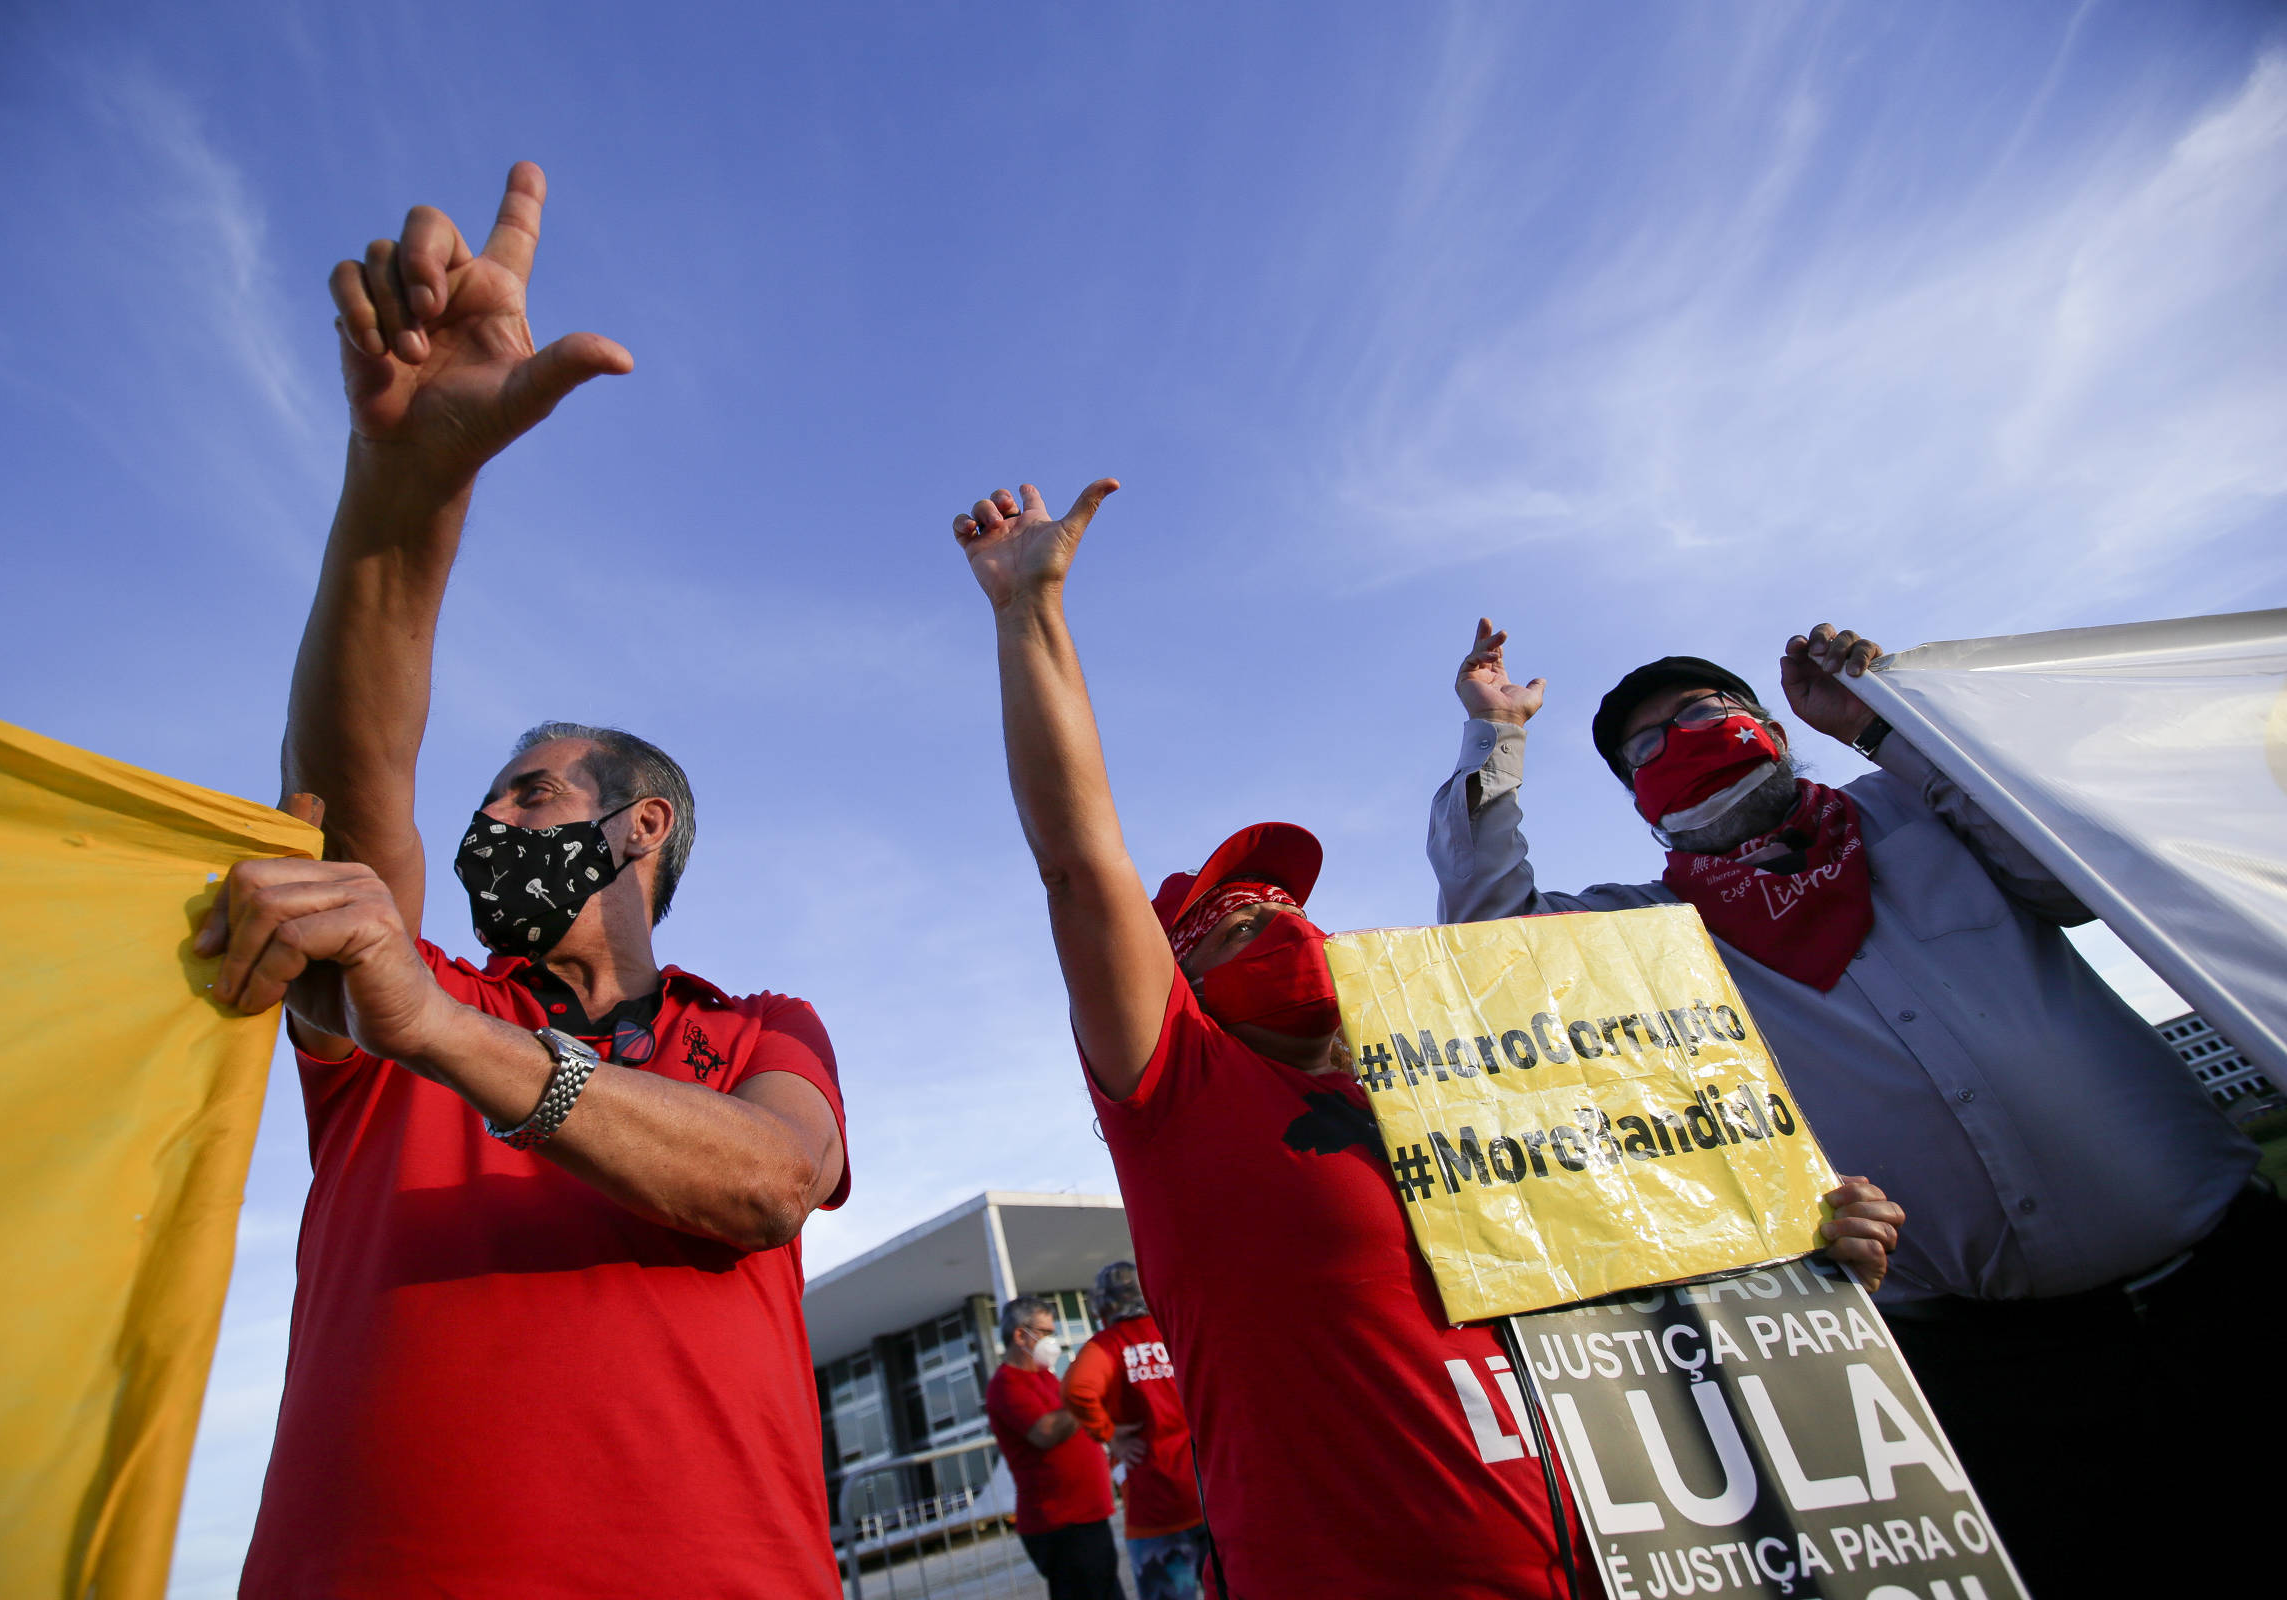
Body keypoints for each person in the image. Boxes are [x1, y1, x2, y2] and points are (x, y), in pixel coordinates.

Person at [950, 480, 1901, 1598]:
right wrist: (1031, 612)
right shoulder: (1180, 1098)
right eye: (1243, 923)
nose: (1289, 930)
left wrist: (1803, 1256)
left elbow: (1654, 1271)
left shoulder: (1476, 1103)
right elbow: (1078, 858)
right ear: (1179, 984)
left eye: (1298, 912)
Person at [196, 164, 851, 1598]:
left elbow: (768, 1182)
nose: (489, 820)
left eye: (534, 793)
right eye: (484, 797)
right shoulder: (396, 1003)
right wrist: (404, 491)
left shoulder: (758, 1030)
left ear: (643, 830)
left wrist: (456, 1043)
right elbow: (357, 787)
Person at [1427, 616, 2284, 1594]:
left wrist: (1882, 725)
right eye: (1650, 745)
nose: (1687, 738)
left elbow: (2070, 879)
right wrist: (1495, 735)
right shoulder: (1651, 934)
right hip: (1997, 1369)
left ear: (1773, 729)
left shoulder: (1918, 811)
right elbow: (1486, 951)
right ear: (1638, 799)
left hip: (2237, 1281)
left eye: (1708, 710)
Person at [1063, 1262, 1207, 1600]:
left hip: (1155, 1505)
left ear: (1104, 1306)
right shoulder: (1172, 1328)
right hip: (1208, 1491)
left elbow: (1075, 1389)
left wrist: (1108, 1432)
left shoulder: (1108, 1345)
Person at [985, 1295, 1124, 1599]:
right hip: (1061, 1523)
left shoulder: (1045, 1376)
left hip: (1085, 1516)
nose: (1053, 1341)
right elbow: (1045, 1432)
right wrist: (1085, 1398)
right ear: (1020, 1335)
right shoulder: (1007, 1384)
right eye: (1046, 1333)